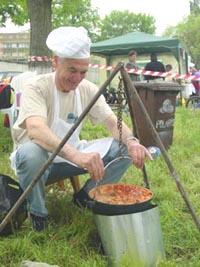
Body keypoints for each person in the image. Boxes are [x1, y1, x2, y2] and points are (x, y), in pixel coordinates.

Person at [10, 26, 152, 231]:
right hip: (36, 164)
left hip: (69, 157)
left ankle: (85, 197)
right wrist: (76, 156)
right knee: (33, 152)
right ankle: (38, 213)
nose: (77, 78)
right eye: (72, 70)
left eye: (83, 72)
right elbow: (36, 130)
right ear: (56, 62)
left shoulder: (87, 89)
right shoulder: (37, 87)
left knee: (122, 147)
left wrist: (131, 141)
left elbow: (113, 122)